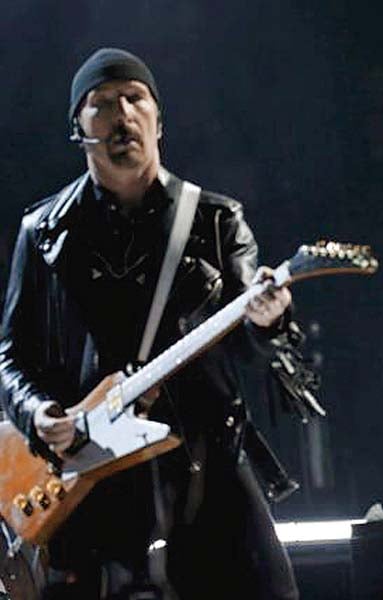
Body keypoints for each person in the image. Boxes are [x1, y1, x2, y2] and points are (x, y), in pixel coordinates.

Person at [0, 48, 298, 599]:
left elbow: (252, 348)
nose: (123, 114)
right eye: (103, 103)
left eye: (136, 99)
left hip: (202, 461)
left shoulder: (214, 219)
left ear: (159, 119)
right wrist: (38, 414)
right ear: (78, 127)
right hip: (93, 471)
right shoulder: (43, 232)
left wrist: (269, 321)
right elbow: (11, 354)